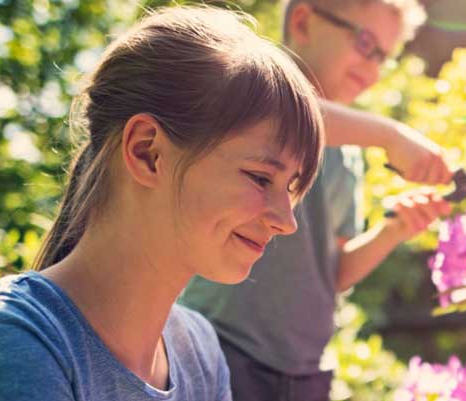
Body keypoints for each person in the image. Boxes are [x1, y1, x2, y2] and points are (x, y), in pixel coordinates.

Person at [0, 7, 323, 400]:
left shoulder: (201, 353)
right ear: (147, 152)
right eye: (260, 177)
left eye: (290, 188)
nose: (286, 222)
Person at [176, 1, 451, 400]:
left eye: (383, 58)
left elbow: (333, 273)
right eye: (364, 43)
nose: (372, 69)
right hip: (223, 350)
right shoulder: (252, 94)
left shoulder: (348, 151)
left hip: (304, 373)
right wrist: (390, 135)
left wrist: (394, 229)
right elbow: (286, 112)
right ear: (304, 21)